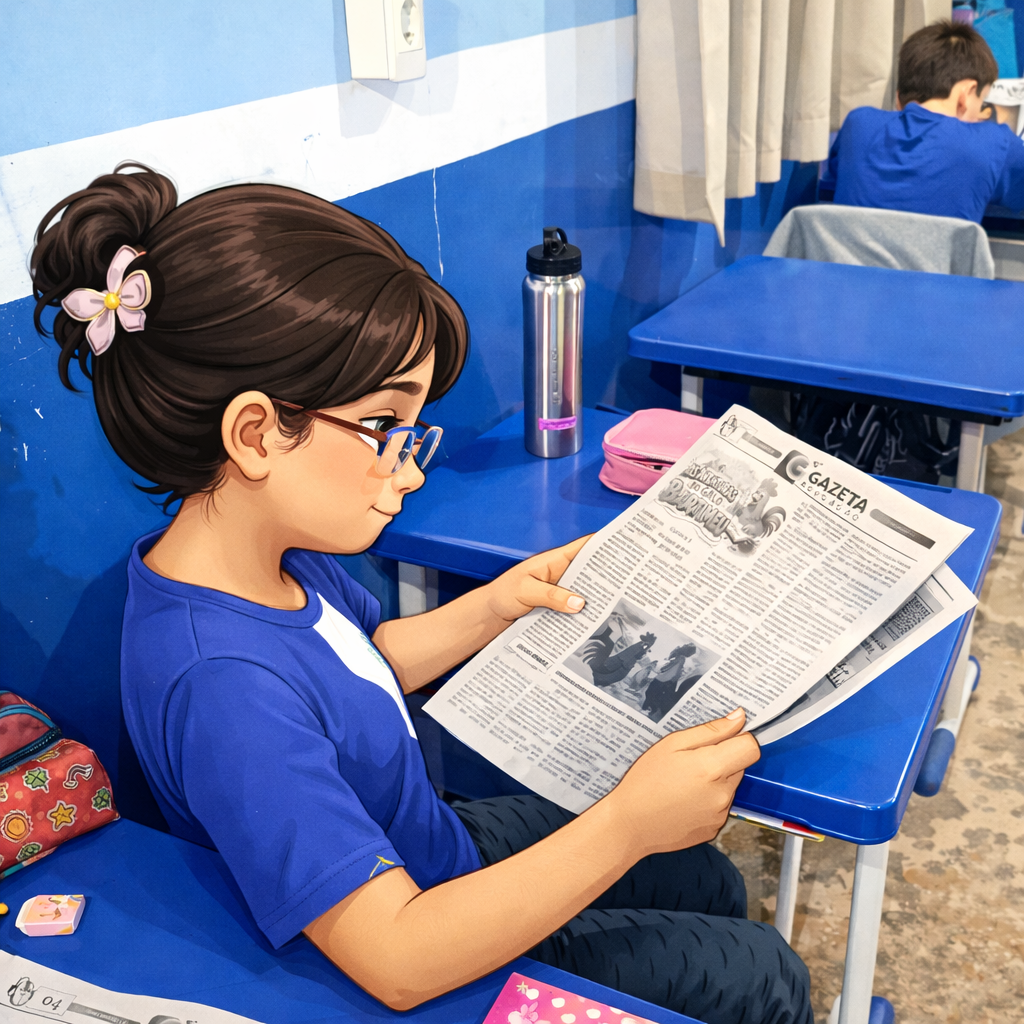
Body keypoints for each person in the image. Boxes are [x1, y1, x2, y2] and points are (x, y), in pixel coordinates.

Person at [30, 164, 813, 1024]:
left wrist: (494, 605)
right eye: (382, 427)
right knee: (764, 977)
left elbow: (355, 668)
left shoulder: (272, 555)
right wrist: (625, 823)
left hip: (438, 841)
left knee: (704, 872)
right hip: (428, 926)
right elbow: (398, 956)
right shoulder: (220, 686)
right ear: (256, 433)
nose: (406, 466)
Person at [827, 20, 1024, 222]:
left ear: (897, 99)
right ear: (966, 94)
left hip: (844, 255)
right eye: (981, 101)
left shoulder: (858, 124)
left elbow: (835, 178)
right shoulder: (993, 143)